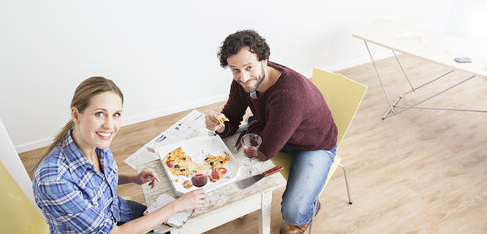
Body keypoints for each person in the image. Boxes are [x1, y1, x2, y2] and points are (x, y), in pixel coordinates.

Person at [205, 30, 337, 234]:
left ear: (264, 60)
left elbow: (265, 150)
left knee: (293, 213)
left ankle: (309, 208)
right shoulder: (242, 82)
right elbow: (230, 118)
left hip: (313, 144)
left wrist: (249, 133)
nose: (243, 77)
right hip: (273, 129)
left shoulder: (289, 95)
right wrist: (220, 126)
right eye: (235, 70)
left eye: (249, 67)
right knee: (224, 144)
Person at [33, 76, 205, 234]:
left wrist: (133, 178)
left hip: (116, 211)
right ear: (76, 115)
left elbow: (96, 181)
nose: (110, 125)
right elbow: (115, 233)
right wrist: (176, 206)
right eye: (99, 113)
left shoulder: (96, 142)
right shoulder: (53, 180)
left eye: (116, 115)